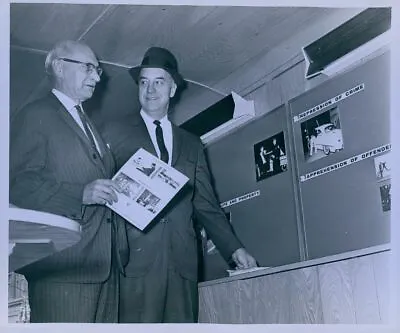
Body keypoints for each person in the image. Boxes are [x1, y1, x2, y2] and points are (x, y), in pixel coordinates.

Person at [101, 46, 257, 323]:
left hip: (182, 265)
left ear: (172, 89)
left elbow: (205, 204)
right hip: (133, 263)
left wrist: (235, 248)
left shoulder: (192, 144)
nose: (150, 90)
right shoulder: (115, 134)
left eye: (158, 81)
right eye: (144, 82)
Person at [9, 40, 128, 323]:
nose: (97, 77)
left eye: (98, 70)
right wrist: (81, 194)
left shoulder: (89, 125)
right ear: (60, 67)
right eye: (89, 68)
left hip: (105, 266)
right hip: (65, 267)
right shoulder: (35, 115)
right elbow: (19, 186)